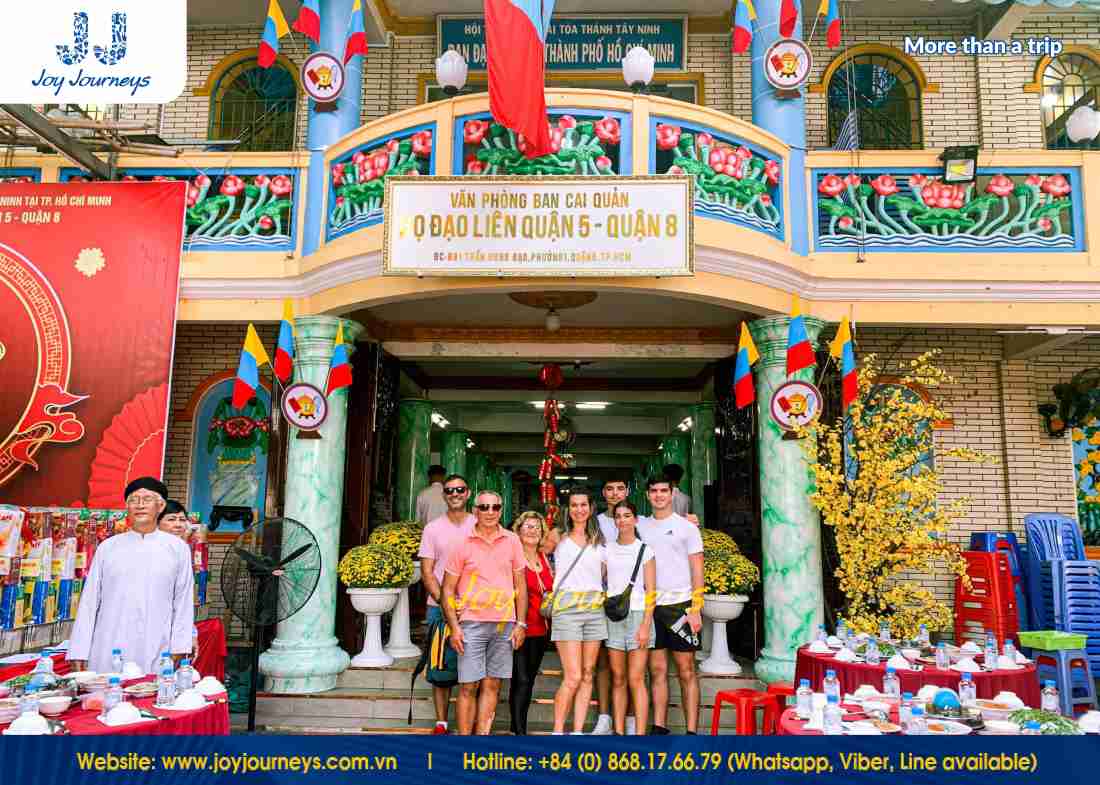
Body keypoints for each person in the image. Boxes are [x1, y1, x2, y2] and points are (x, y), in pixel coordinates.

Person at [68, 477, 195, 674]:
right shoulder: (108, 547)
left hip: (156, 644)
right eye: (134, 500)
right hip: (108, 643)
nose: (140, 505)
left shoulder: (177, 549)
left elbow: (183, 601)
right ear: (127, 506)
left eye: (147, 499)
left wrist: (180, 647)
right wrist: (78, 650)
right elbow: (89, 601)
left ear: (160, 506)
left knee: (150, 698)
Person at [442, 490, 528, 735]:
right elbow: (447, 589)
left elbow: (520, 584)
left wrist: (520, 624)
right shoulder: (462, 543)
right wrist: (454, 628)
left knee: (493, 684)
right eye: (484, 507)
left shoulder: (512, 540)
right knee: (468, 685)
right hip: (471, 623)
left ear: (501, 510)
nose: (490, 512)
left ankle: (482, 740)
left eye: (495, 507)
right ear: (475, 511)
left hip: (504, 624)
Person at [639, 476, 704, 734]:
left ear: (672, 493)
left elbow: (697, 569)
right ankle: (659, 728)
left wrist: (696, 608)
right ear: (647, 495)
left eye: (663, 491)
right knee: (657, 670)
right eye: (653, 491)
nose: (658, 495)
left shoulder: (687, 527)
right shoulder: (640, 526)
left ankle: (691, 732)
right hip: (651, 608)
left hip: (681, 606)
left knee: (687, 670)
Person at [417, 473, 474, 734]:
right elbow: (427, 571)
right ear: (444, 496)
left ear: (468, 493)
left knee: (473, 667)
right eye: (450, 491)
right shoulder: (432, 528)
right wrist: (445, 602)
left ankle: (470, 722)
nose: (455, 494)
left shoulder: (479, 524)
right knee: (440, 666)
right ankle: (441, 722)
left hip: (475, 608)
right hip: (439, 605)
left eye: (459, 490)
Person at [550, 487, 608, 735]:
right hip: (567, 608)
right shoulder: (557, 536)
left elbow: (605, 573)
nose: (579, 509)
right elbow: (530, 550)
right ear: (568, 509)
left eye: (583, 504)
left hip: (595, 608)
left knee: (587, 674)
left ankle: (577, 731)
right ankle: (557, 732)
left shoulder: (600, 539)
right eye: (574, 505)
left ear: (591, 508)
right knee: (572, 676)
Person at [605, 500, 656, 735]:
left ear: (635, 520)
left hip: (638, 616)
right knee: (618, 677)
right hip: (614, 617)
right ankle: (618, 731)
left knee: (636, 678)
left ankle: (640, 736)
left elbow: (651, 591)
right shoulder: (606, 549)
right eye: (618, 516)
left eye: (627, 515)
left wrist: (646, 625)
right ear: (614, 520)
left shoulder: (645, 551)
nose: (622, 520)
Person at [591, 473, 631, 735]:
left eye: (619, 488)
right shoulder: (595, 523)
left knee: (631, 664)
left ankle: (630, 717)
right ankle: (604, 716)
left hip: (631, 601)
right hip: (600, 600)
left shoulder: (641, 520)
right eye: (609, 488)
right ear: (603, 493)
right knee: (603, 661)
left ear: (627, 491)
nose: (615, 493)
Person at [509, 511, 554, 735]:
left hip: (540, 629)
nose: (532, 531)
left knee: (528, 681)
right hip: (517, 628)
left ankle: (518, 726)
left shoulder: (545, 558)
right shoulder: (513, 558)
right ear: (518, 531)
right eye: (527, 526)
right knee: (522, 679)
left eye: (537, 527)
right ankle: (519, 732)